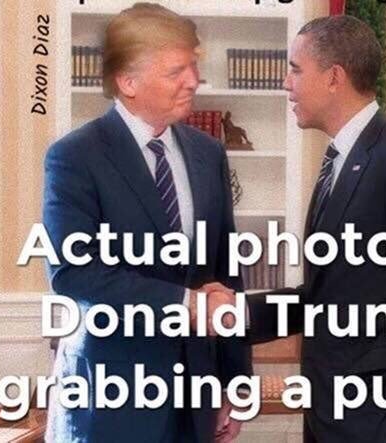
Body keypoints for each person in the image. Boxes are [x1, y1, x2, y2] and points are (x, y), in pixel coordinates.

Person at [210, 15, 386, 443]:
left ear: (334, 77)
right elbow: (324, 298)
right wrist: (235, 313)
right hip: (332, 417)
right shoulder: (341, 159)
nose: (286, 83)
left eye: (296, 70)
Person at [43, 3, 251, 442]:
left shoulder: (208, 153)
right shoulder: (75, 157)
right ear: (128, 81)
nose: (193, 80)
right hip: (111, 398)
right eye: (176, 71)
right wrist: (185, 303)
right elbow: (72, 271)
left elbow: (226, 274)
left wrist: (234, 383)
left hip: (195, 396)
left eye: (193, 67)